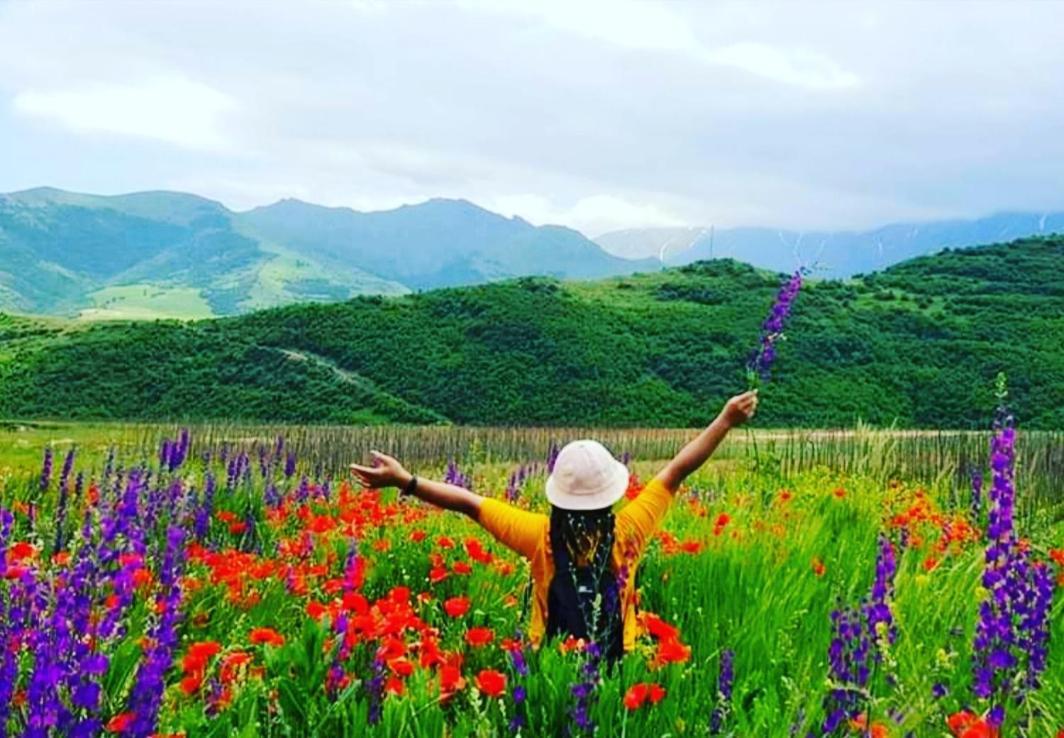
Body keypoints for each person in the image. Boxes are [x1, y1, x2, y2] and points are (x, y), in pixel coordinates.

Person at [350, 390, 758, 658]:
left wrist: (405, 480)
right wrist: (724, 420)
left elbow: (470, 504)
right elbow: (676, 471)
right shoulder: (630, 529)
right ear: (611, 493)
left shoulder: (540, 537)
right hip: (619, 663)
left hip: (550, 661)